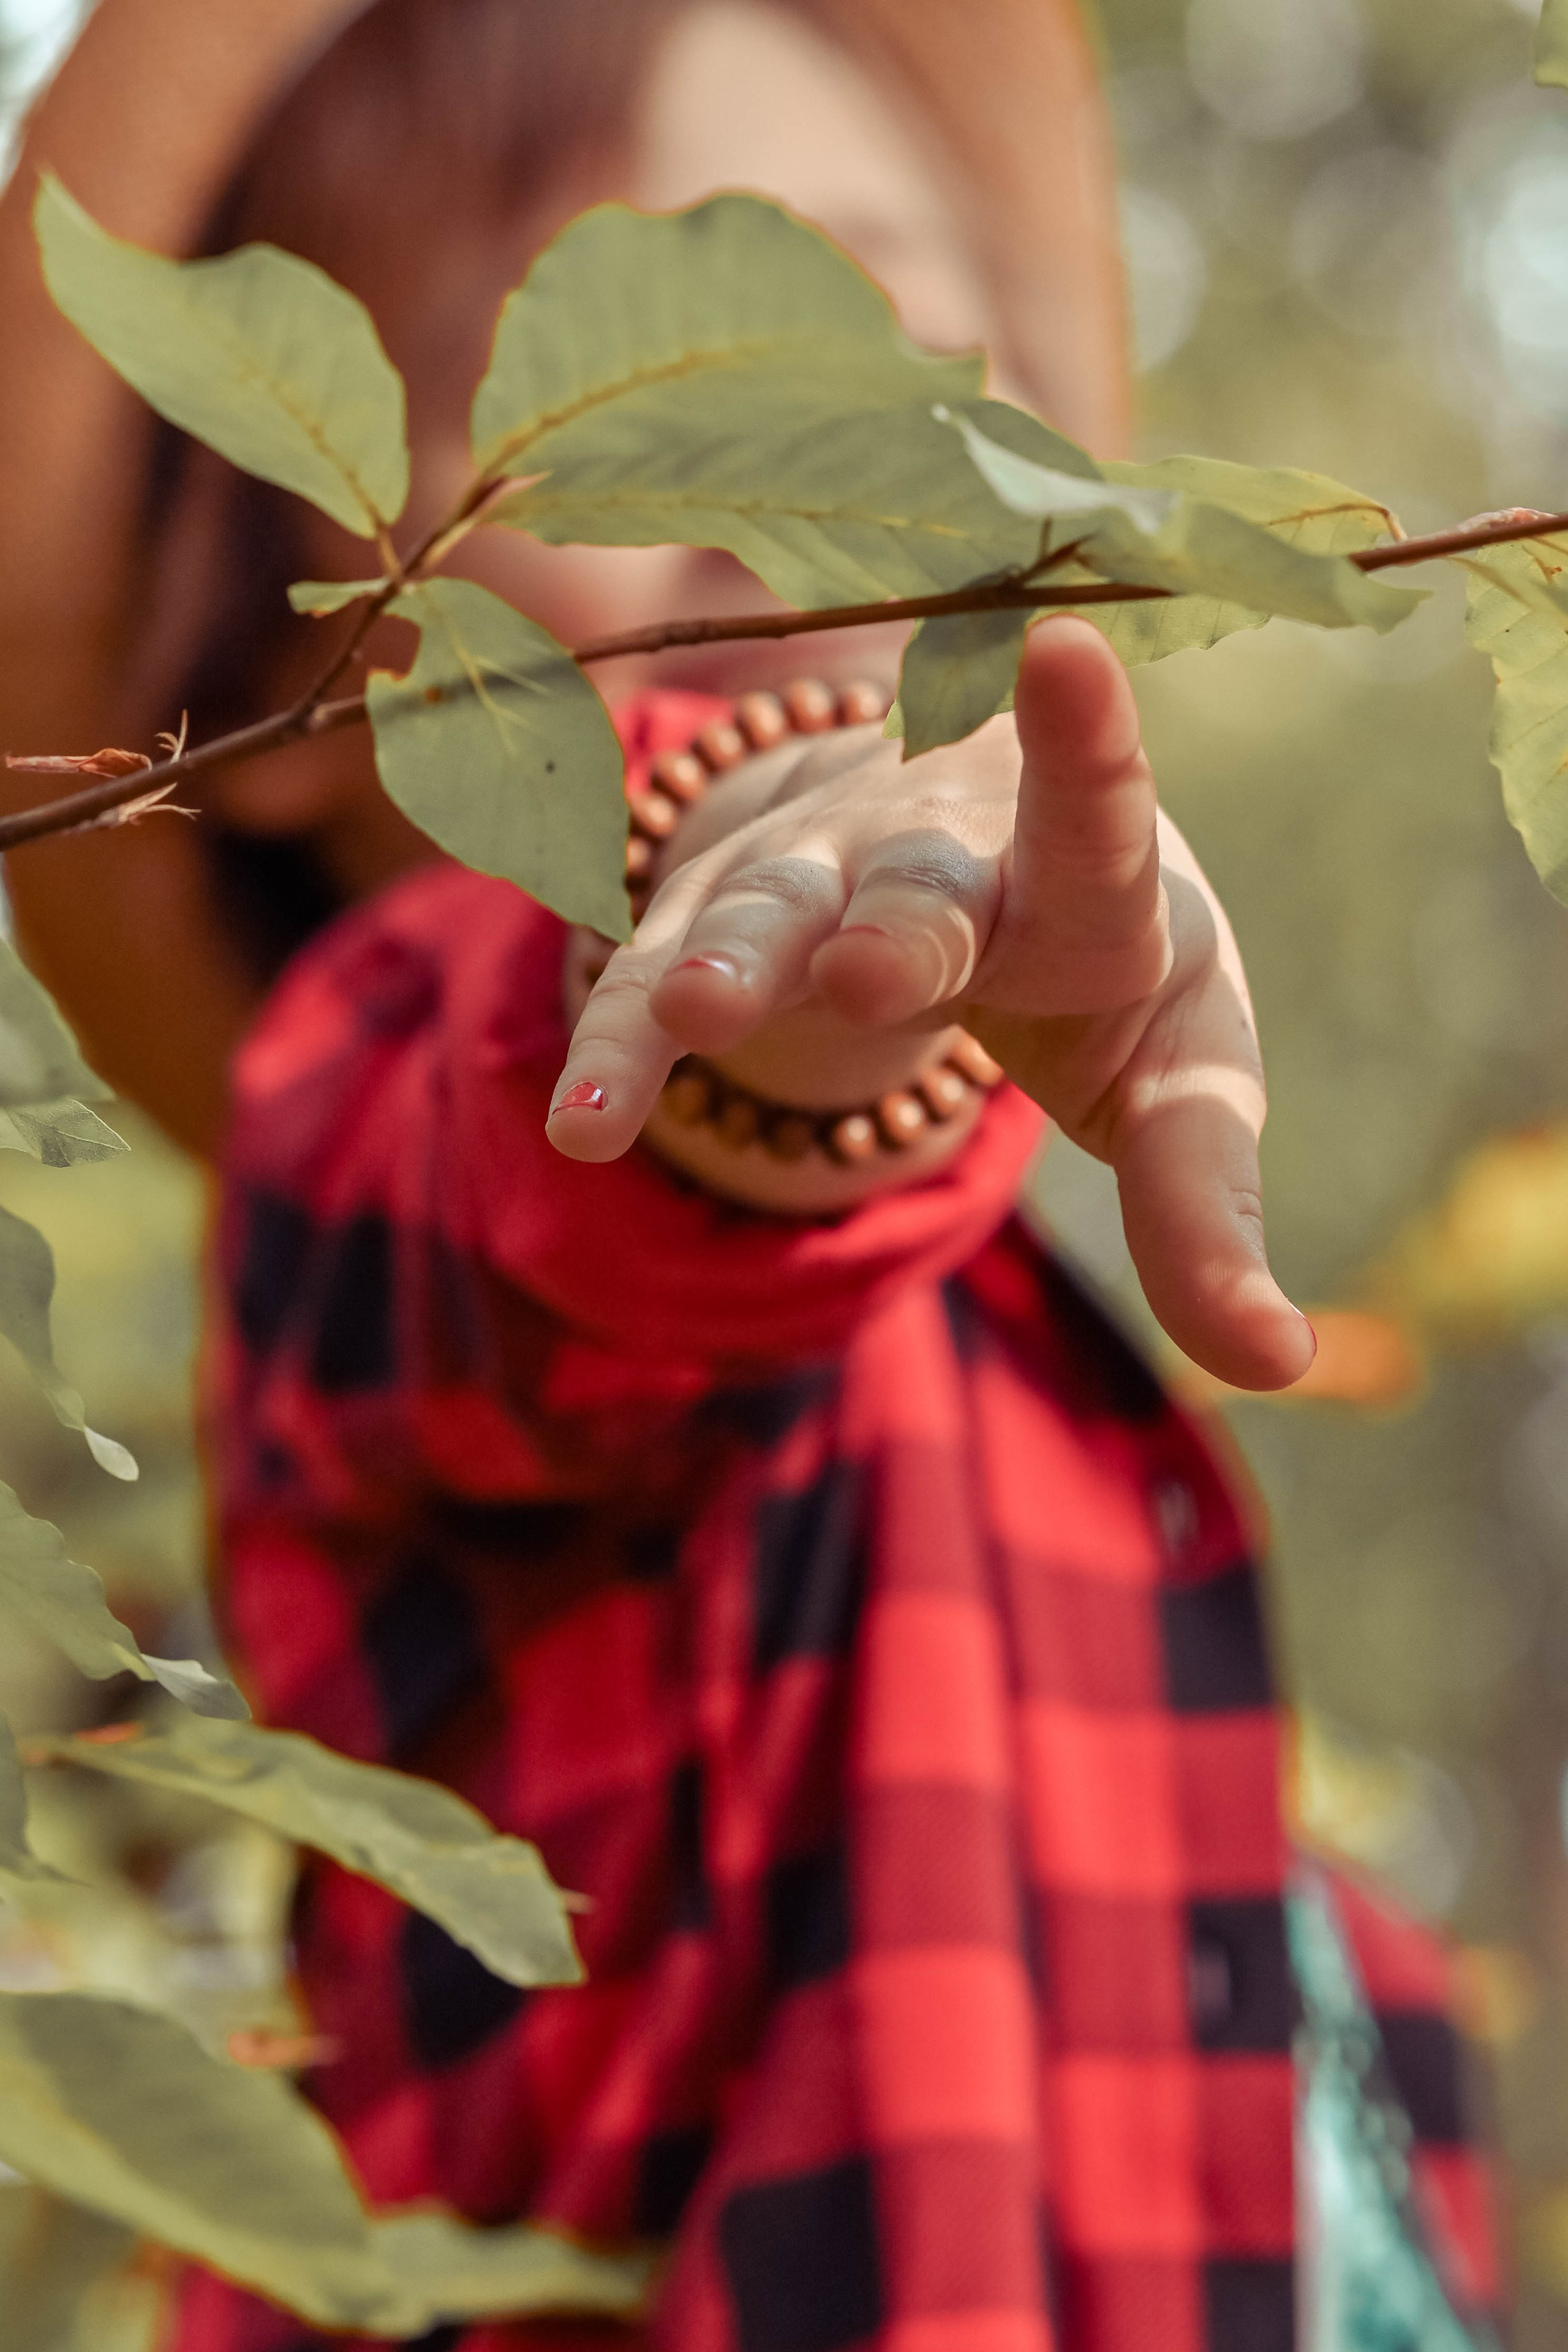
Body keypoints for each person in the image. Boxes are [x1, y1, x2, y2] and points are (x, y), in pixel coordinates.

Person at [0, 4, 1499, 2348]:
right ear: (266, 689)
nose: (800, 477)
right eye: (605, 405)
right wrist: (762, 917)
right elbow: (614, 1066)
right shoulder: (381, 1105)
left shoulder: (1081, 1494)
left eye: (903, 354)